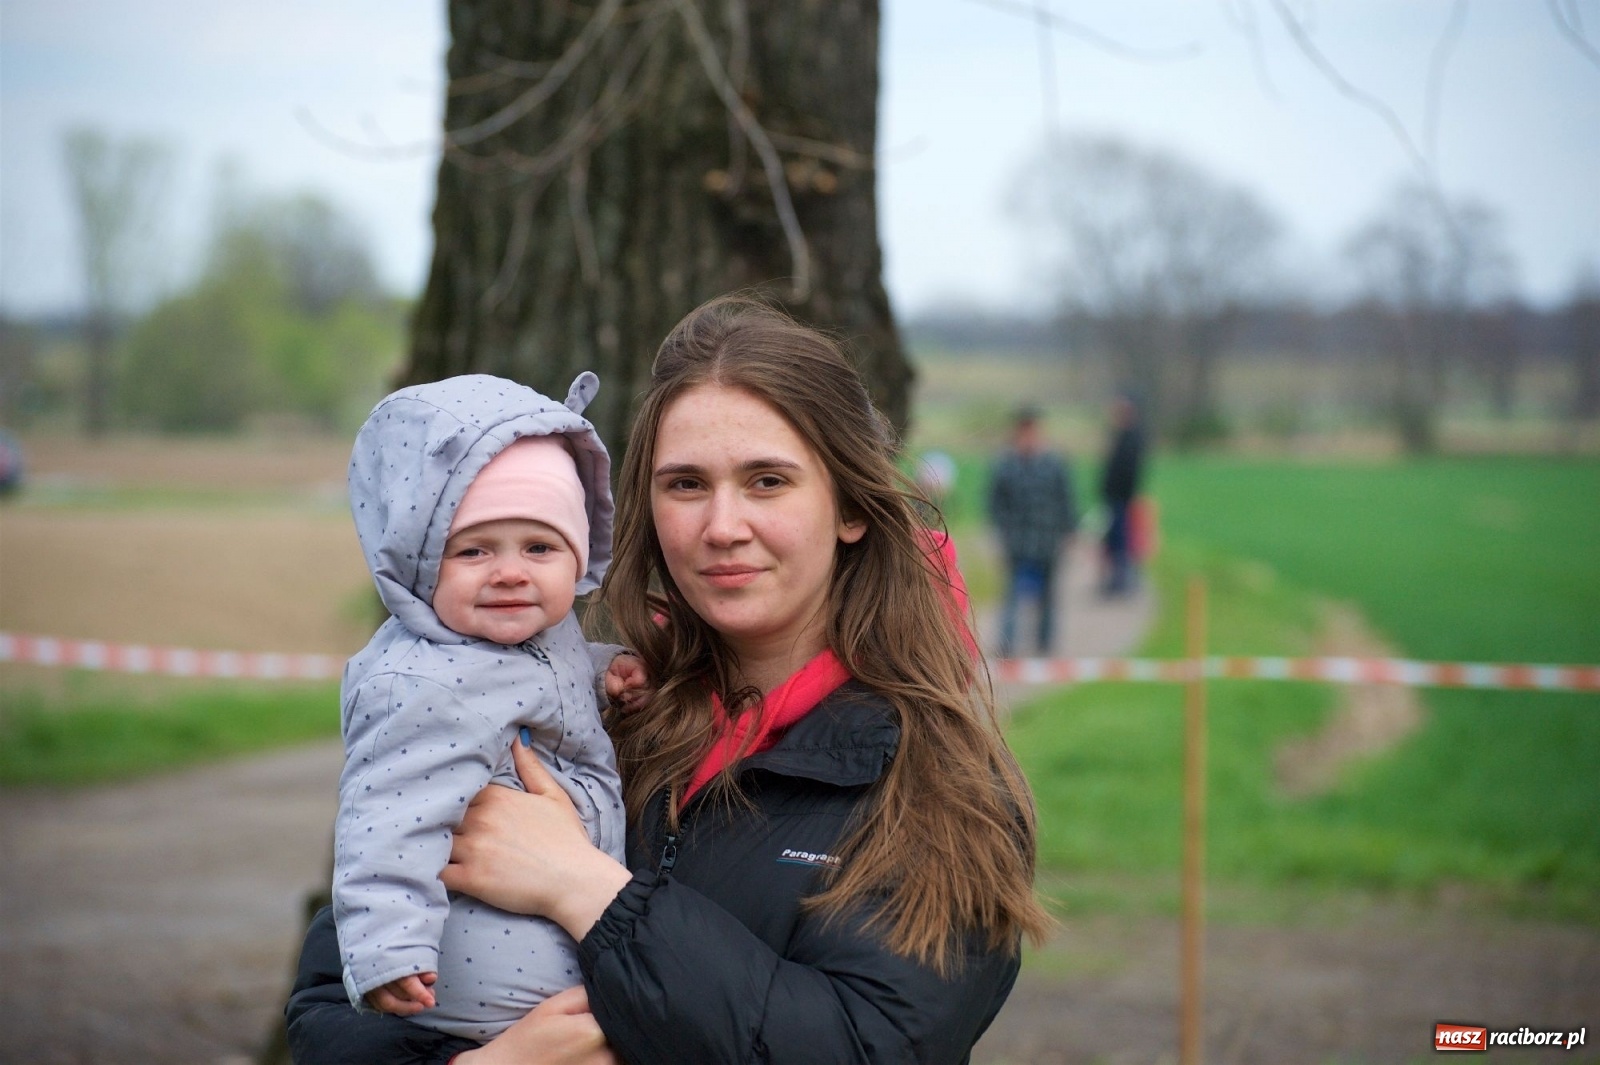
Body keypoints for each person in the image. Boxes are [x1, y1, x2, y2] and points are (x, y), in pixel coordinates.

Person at [286, 296, 1053, 1064]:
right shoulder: (574, 700)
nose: (722, 525)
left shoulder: (938, 784)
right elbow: (334, 988)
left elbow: (866, 1044)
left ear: (850, 504)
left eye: (767, 481)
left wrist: (584, 889)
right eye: (686, 484)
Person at [332, 372, 646, 1041]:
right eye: (473, 550)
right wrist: (388, 949)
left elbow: (538, 683)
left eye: (539, 547)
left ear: (576, 554)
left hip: (564, 940)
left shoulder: (539, 634)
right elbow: (384, 819)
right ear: (419, 563)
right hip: (484, 986)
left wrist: (604, 672)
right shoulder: (417, 684)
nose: (510, 571)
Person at [986, 406, 1078, 657]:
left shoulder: (1054, 464)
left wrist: (1070, 531)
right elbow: (994, 503)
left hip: (1048, 541)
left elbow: (1066, 499)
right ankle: (1007, 645)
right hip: (1017, 542)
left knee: (1048, 596)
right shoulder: (1005, 466)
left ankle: (1045, 645)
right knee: (1012, 596)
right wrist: (1003, 530)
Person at [1099, 392, 1146, 597]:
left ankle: (1123, 583)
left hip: (1122, 500)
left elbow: (1130, 472)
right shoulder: (1121, 436)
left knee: (1123, 542)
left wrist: (1124, 497)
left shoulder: (1132, 438)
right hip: (1115, 498)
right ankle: (1117, 581)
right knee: (1114, 542)